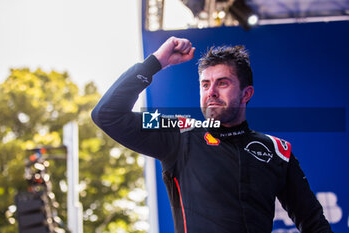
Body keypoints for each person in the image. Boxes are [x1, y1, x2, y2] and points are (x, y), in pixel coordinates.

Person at [91, 37, 332, 233]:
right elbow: (108, 114)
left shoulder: (276, 150)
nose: (212, 92)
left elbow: (314, 223)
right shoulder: (178, 130)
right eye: (205, 85)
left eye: (222, 83)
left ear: (246, 93)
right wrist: (156, 62)